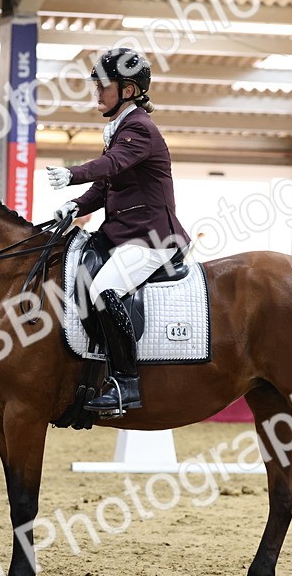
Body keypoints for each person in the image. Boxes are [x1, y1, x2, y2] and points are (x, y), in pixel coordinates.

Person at [45, 47, 190, 415]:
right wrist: (75, 205)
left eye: (103, 85)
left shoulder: (140, 128)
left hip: (152, 238)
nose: (96, 91)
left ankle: (127, 384)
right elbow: (107, 184)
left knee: (104, 288)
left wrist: (73, 173)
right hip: (123, 233)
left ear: (127, 90)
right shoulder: (120, 128)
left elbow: (112, 163)